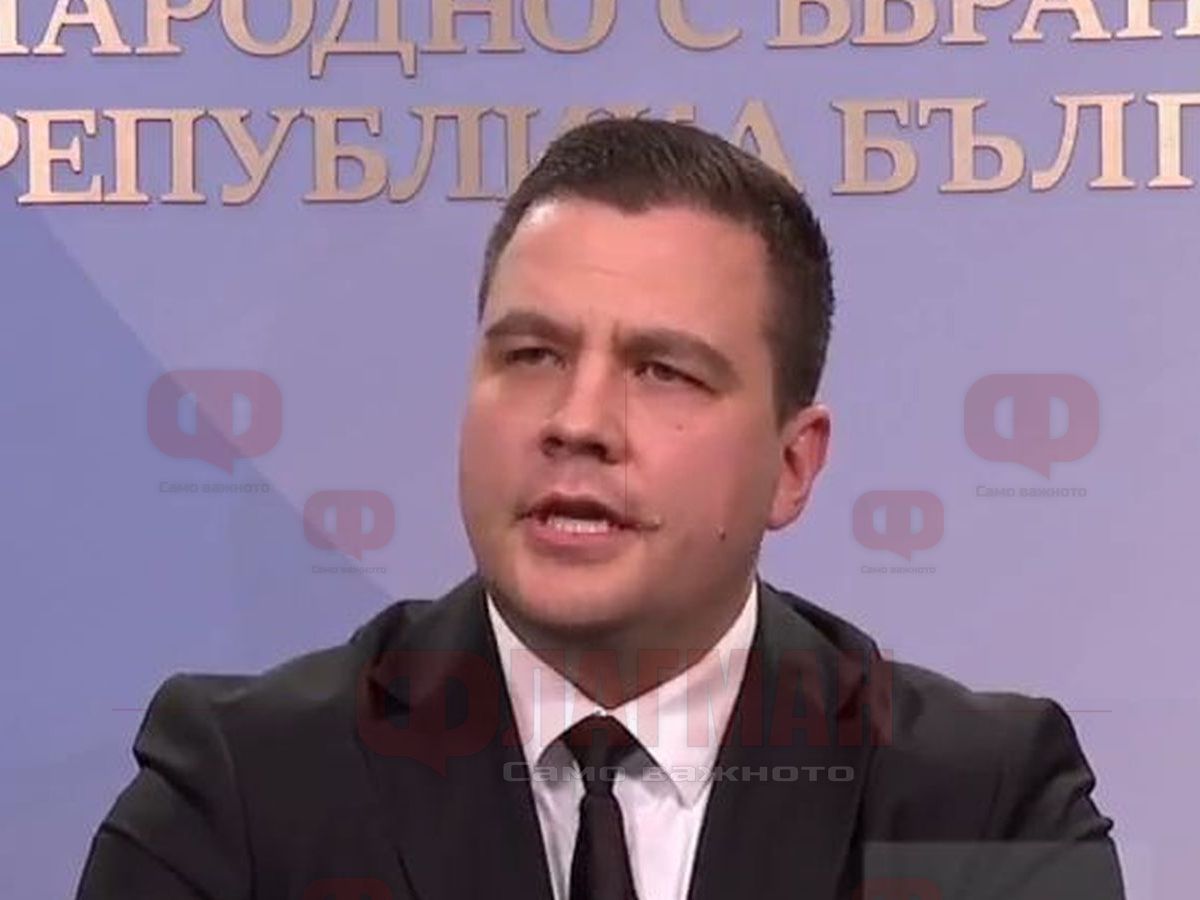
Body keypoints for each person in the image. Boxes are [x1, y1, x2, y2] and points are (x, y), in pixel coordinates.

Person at [75, 118, 1125, 900]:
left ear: (792, 466)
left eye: (664, 371)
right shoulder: (244, 792)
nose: (577, 422)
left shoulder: (982, 805)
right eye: (532, 354)